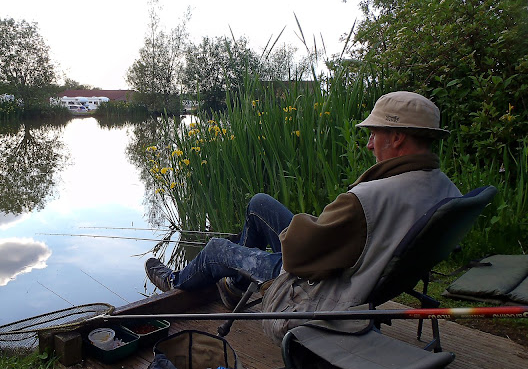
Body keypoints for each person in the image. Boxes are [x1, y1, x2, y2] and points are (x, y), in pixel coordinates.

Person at [145, 91, 460, 342]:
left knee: (216, 248)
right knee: (259, 203)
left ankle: (176, 282)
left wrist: (303, 227)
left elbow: (299, 258)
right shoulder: (445, 189)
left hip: (317, 284)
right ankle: (238, 283)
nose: (368, 143)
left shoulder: (369, 198)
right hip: (363, 267)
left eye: (374, 133)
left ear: (397, 137)